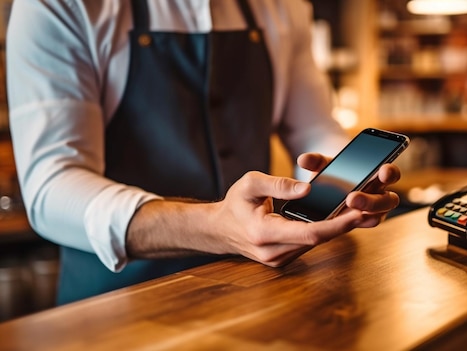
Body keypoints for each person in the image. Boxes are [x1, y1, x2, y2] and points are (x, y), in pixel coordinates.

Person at [6, 0, 402, 305]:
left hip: (250, 292)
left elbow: (313, 129)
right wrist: (216, 226)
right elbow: (50, 187)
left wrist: (348, 179)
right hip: (115, 306)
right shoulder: (61, 6)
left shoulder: (282, 7)